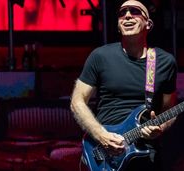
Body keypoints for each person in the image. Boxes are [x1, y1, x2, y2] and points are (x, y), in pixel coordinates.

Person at [70, 0, 177, 170]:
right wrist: (101, 135)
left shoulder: (165, 62)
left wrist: (160, 127)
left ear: (148, 24)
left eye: (134, 11)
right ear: (119, 26)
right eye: (122, 13)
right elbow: (77, 101)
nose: (127, 15)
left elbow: (169, 109)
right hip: (103, 151)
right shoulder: (100, 56)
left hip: (144, 152)